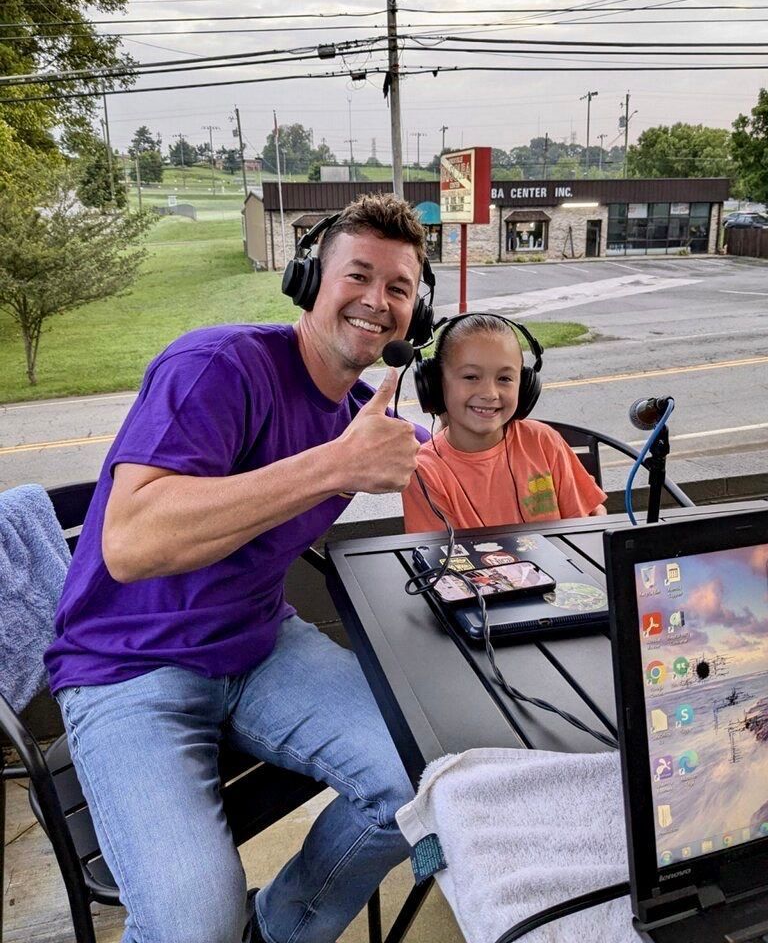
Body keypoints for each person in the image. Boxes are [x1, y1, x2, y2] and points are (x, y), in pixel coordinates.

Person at [45, 194, 430, 943]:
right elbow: (130, 543)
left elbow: (448, 454)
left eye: (400, 288)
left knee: (422, 782)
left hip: (260, 647)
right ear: (309, 278)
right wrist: (334, 464)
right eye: (359, 275)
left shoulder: (359, 414)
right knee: (193, 923)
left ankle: (279, 930)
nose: (377, 302)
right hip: (126, 670)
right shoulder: (218, 366)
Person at [402, 313, 607, 532]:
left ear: (524, 384)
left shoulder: (542, 441)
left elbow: (584, 529)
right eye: (471, 377)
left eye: (504, 379)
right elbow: (442, 560)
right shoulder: (424, 471)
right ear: (436, 383)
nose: (490, 393)